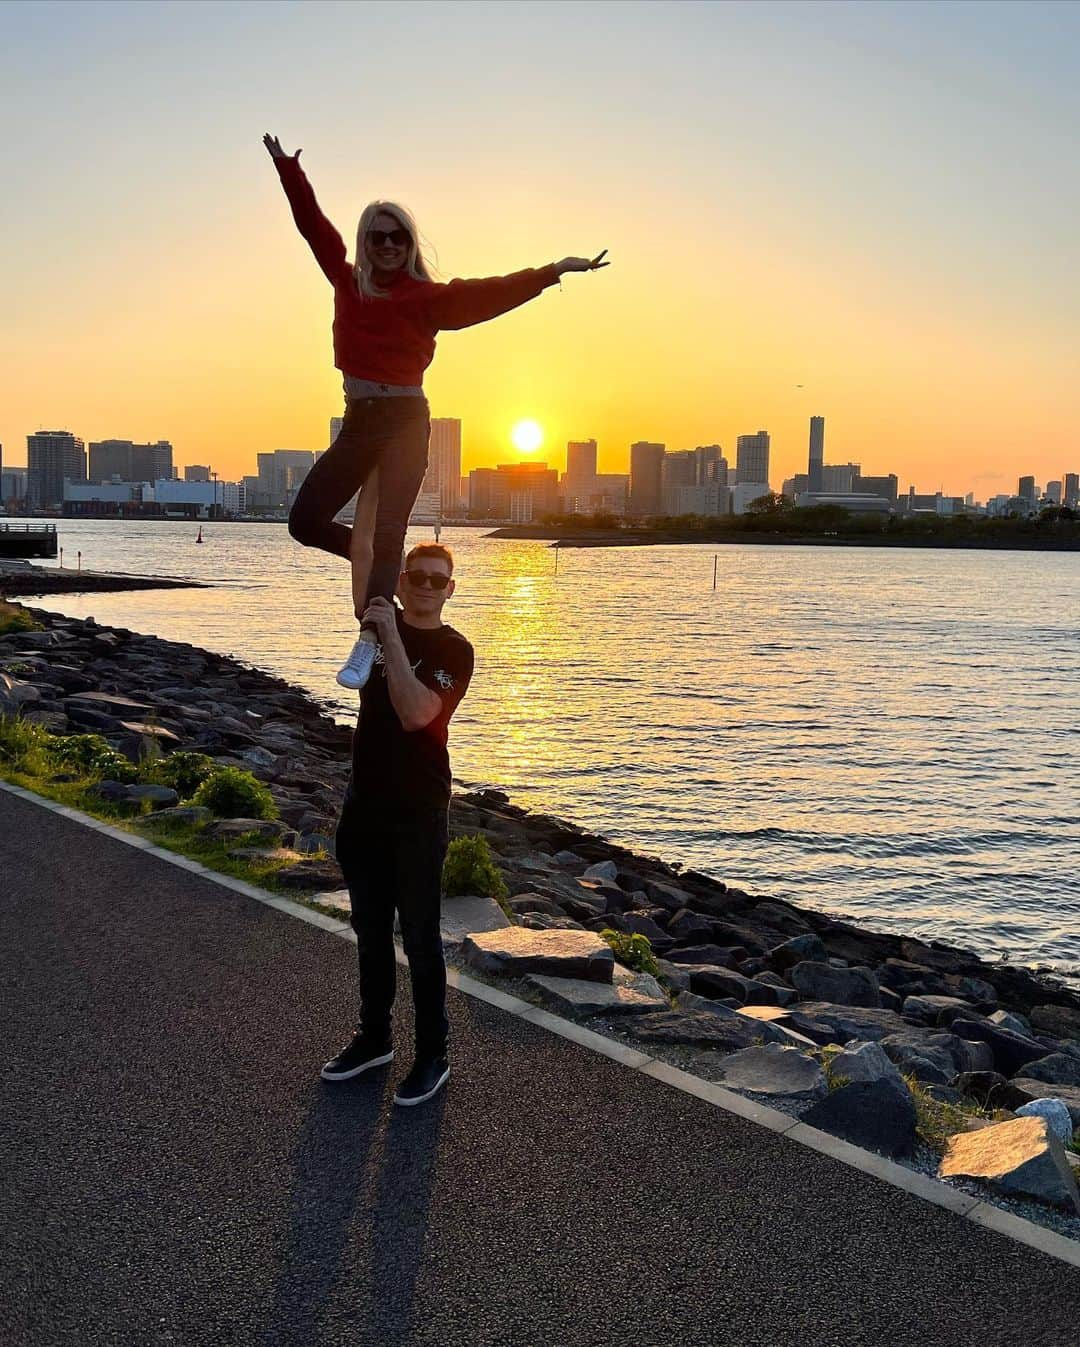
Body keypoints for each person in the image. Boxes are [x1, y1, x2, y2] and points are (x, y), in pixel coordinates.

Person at [262, 132, 609, 690]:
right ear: (366, 242)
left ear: (409, 243)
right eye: (378, 236)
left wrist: (553, 272)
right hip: (359, 421)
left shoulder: (426, 298)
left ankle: (370, 640)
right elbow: (314, 229)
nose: (389, 245)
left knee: (392, 530)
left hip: (404, 423)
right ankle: (370, 558)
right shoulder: (348, 283)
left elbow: (490, 293)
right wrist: (288, 170)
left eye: (399, 236)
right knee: (304, 522)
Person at [322, 542, 473, 1106]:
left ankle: (433, 1053)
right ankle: (375, 1037)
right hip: (365, 806)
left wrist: (389, 638)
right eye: (417, 576)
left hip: (418, 811)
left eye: (438, 580)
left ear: (450, 590)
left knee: (420, 936)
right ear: (403, 580)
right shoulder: (373, 625)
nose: (427, 586)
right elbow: (364, 546)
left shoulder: (454, 650)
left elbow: (416, 714)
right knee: (369, 930)